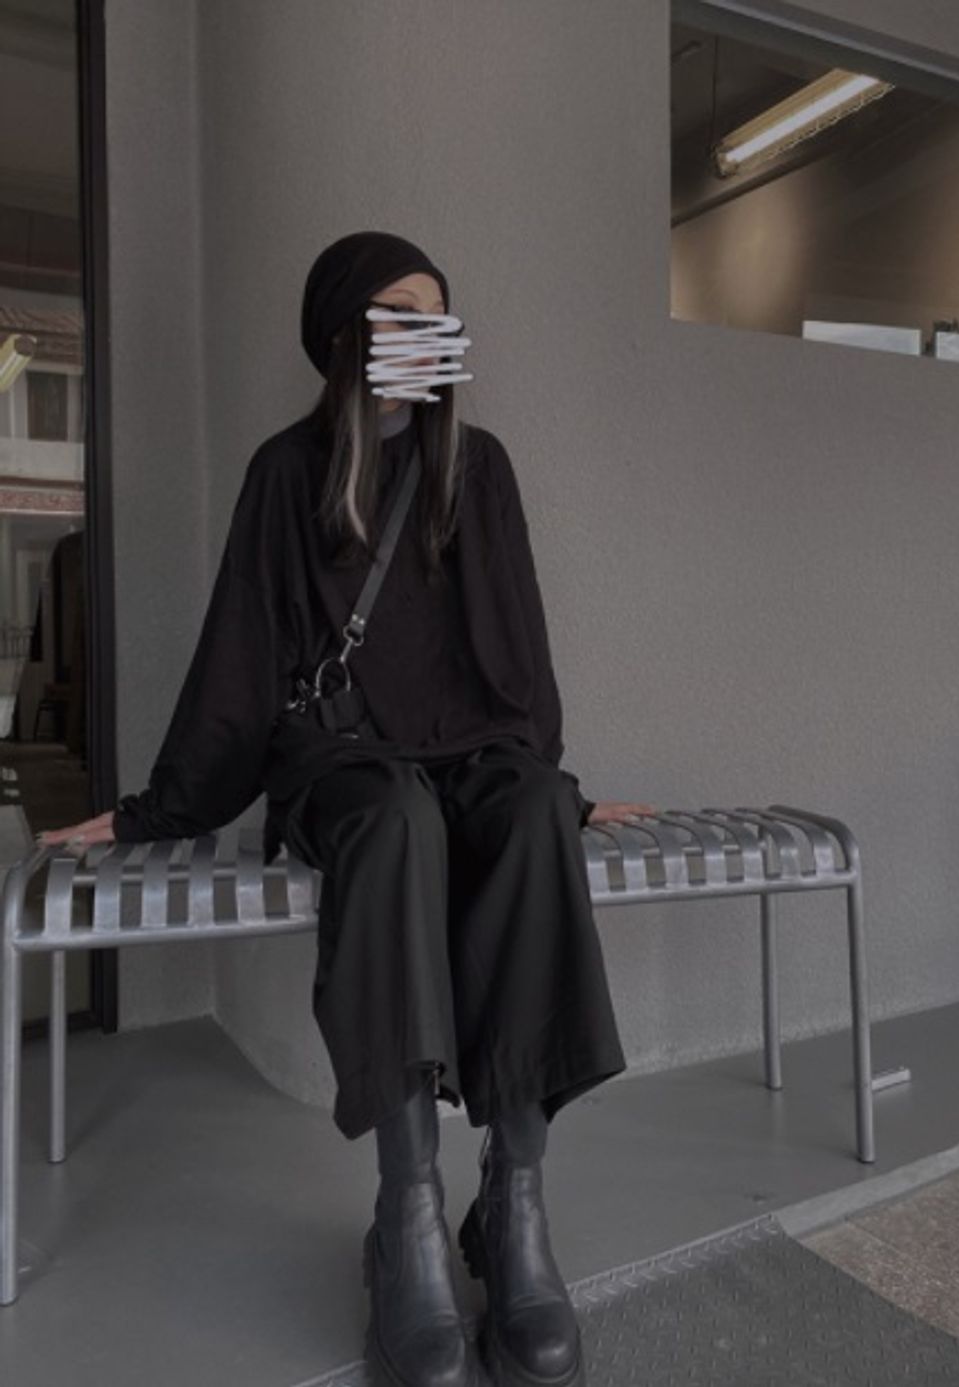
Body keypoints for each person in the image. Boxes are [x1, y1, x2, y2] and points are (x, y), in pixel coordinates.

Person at [39, 231, 655, 1387]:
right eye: (398, 312)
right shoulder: (288, 472)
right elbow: (239, 659)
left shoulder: (479, 469)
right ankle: (405, 1213)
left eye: (437, 313)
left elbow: (519, 655)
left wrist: (552, 788)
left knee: (527, 812)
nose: (425, 331)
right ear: (343, 336)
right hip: (341, 762)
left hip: (465, 750)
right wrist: (151, 813)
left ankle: (513, 1204)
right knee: (394, 821)